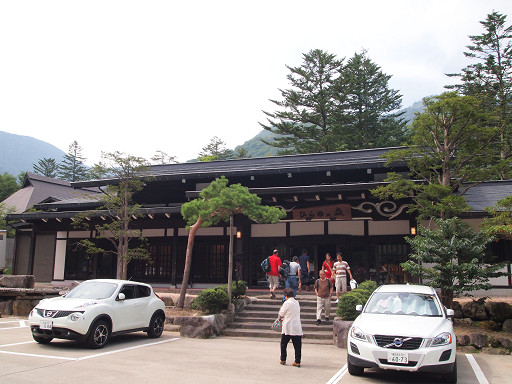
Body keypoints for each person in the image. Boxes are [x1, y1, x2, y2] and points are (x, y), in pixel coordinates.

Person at [278, 287, 303, 367]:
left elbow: (281, 313)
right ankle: (297, 361)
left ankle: (283, 359)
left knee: (283, 343)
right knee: (297, 345)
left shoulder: (287, 303)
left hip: (288, 326)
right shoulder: (297, 302)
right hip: (296, 327)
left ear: (285, 295)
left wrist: (279, 318)